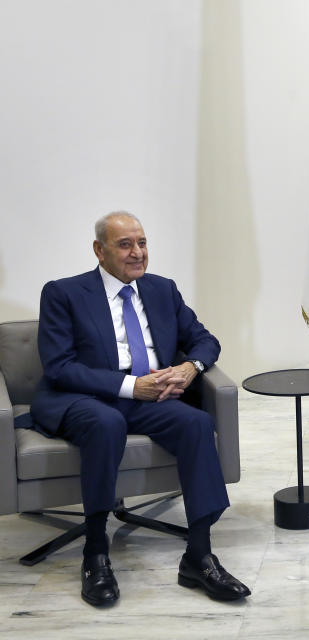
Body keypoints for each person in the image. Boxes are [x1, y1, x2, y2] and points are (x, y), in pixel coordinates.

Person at [26, 212, 250, 606]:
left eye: (142, 243)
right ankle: (95, 552)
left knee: (197, 424)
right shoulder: (64, 293)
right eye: (125, 244)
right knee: (106, 422)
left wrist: (189, 367)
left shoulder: (162, 290)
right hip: (89, 398)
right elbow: (59, 367)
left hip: (152, 397)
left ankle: (199, 556)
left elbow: (205, 340)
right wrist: (132, 386)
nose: (137, 253)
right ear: (100, 250)